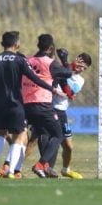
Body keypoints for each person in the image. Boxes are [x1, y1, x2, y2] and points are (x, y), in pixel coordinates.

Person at [0, 31, 55, 179]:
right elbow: (34, 78)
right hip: (16, 104)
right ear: (16, 44)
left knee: (1, 133)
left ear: (3, 44)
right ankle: (12, 170)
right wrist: (50, 88)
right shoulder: (20, 60)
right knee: (20, 136)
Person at [25, 49, 91, 179]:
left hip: (61, 111)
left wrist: (68, 68)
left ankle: (65, 170)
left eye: (84, 68)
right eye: (80, 65)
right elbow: (54, 78)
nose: (81, 69)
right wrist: (67, 67)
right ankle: (17, 168)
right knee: (33, 140)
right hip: (47, 107)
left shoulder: (80, 80)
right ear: (77, 59)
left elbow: (69, 92)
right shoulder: (59, 67)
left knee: (68, 146)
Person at [22, 34, 73, 178]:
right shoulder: (50, 63)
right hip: (42, 104)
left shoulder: (28, 60)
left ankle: (17, 168)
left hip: (27, 105)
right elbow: (68, 73)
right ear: (51, 47)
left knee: (41, 134)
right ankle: (41, 164)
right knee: (58, 134)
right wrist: (64, 59)